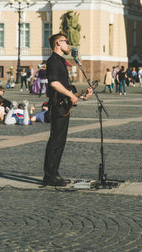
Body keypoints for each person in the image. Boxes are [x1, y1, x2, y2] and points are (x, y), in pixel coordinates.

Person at [43, 32, 93, 187]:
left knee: (60, 141)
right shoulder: (53, 61)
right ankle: (50, 176)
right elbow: (54, 83)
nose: (68, 45)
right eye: (66, 42)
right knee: (56, 141)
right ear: (58, 43)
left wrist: (82, 93)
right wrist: (70, 95)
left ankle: (54, 173)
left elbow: (65, 88)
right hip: (57, 107)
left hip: (63, 105)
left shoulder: (61, 61)